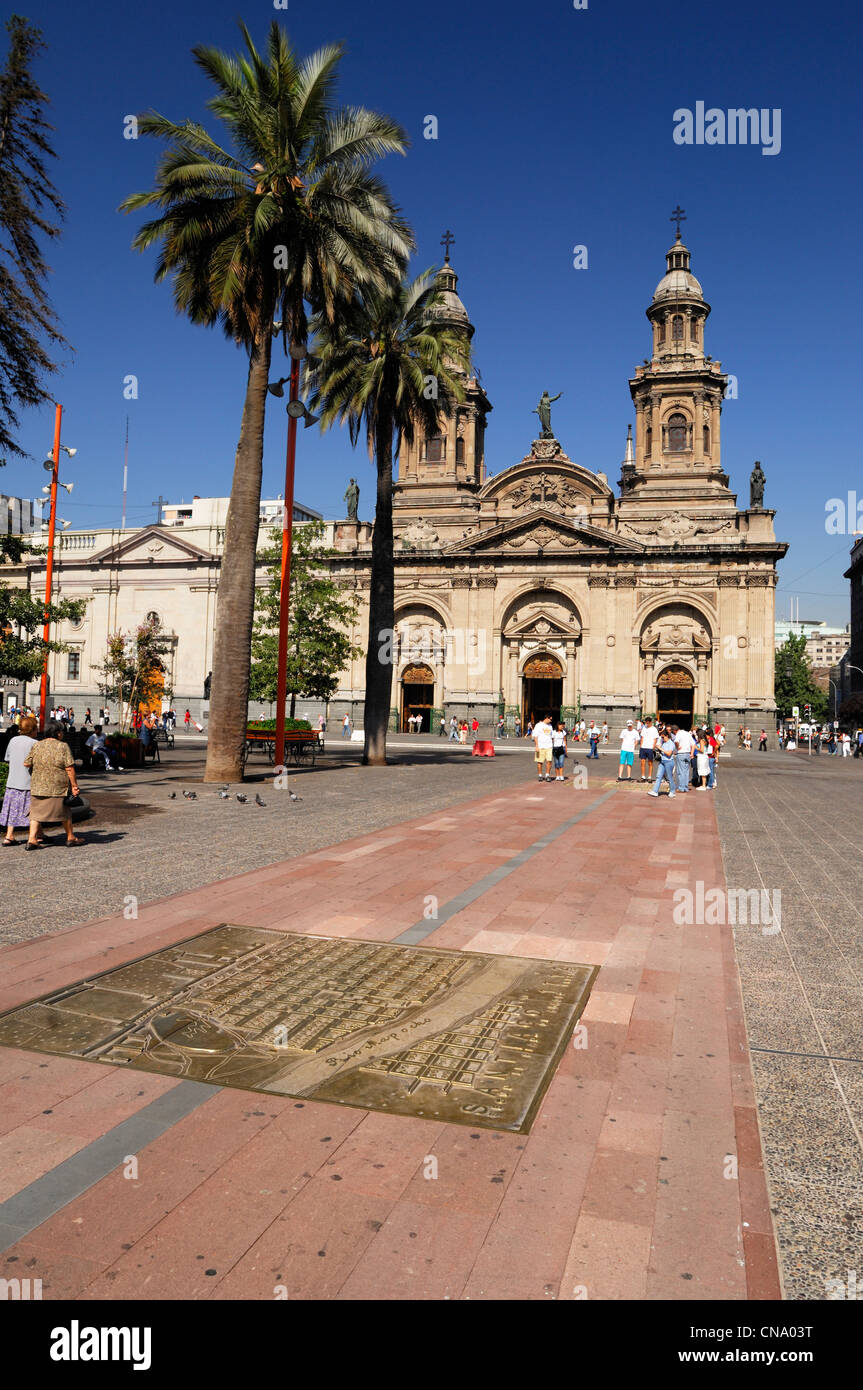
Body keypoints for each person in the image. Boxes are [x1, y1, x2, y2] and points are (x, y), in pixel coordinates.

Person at [23, 721, 85, 849]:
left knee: (35, 813)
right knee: (65, 812)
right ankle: (70, 837)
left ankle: (32, 839)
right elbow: (69, 768)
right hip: (58, 787)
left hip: (38, 785)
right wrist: (74, 786)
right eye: (61, 731)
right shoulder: (63, 746)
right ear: (58, 733)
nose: (62, 733)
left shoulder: (37, 745)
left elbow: (27, 763)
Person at [1, 714, 38, 845]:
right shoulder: (35, 743)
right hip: (28, 782)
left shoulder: (13, 740)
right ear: (32, 729)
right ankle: (35, 836)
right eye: (36, 728)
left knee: (12, 809)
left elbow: (8, 758)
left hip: (12, 781)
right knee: (34, 810)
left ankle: (9, 835)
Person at [648, 726, 678, 798]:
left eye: (663, 737)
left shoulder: (671, 743)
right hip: (662, 761)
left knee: (669, 777)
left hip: (668, 762)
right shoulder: (664, 743)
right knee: (659, 777)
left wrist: (661, 749)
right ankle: (655, 791)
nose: (662, 739)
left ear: (667, 736)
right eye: (661, 737)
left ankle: (672, 791)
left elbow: (669, 754)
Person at [674, 724, 694, 792]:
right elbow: (693, 744)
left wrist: (677, 747)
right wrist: (691, 753)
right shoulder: (688, 733)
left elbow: (676, 741)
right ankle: (685, 787)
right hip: (687, 753)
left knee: (680, 771)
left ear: (675, 731)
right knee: (686, 771)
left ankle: (681, 788)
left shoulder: (678, 734)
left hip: (681, 753)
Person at [534, 714, 554, 782]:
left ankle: (547, 775)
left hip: (549, 746)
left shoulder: (550, 726)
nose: (551, 721)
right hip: (540, 746)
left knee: (549, 761)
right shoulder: (538, 725)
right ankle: (540, 775)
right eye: (550, 719)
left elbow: (551, 736)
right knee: (540, 762)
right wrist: (536, 746)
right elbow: (535, 736)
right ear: (546, 718)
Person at [638, 716, 659, 781]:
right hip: (643, 747)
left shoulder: (654, 729)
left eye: (648, 723)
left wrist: (653, 747)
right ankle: (643, 776)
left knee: (650, 762)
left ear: (650, 722)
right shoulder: (644, 728)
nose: (647, 724)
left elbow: (655, 738)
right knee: (642, 762)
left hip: (650, 747)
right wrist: (641, 745)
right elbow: (642, 737)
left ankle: (649, 777)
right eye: (646, 723)